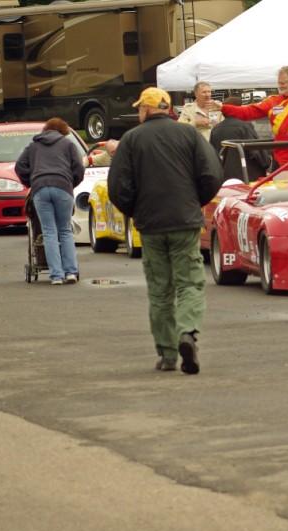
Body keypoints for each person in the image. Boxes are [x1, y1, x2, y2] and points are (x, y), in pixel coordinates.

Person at [108, 87, 222, 374]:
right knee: (190, 283)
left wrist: (135, 211)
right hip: (184, 221)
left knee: (160, 291)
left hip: (151, 226)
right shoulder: (189, 134)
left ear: (146, 110)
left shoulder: (131, 140)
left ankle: (168, 354)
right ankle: (188, 331)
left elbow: (118, 187)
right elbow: (211, 174)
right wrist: (195, 202)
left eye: (139, 109)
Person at [209, 66, 288, 168]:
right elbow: (247, 112)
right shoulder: (272, 101)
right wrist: (223, 107)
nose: (281, 85)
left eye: (284, 83)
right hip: (284, 153)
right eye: (279, 82)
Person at [15, 117, 84, 285]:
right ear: (63, 131)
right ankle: (70, 272)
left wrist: (31, 181)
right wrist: (70, 183)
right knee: (65, 230)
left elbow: (19, 166)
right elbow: (79, 168)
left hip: (40, 189)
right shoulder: (68, 145)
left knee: (49, 232)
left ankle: (56, 276)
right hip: (62, 187)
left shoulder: (34, 146)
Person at [209, 96, 271, 181]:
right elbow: (257, 152)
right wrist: (267, 162)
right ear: (239, 109)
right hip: (248, 177)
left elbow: (213, 155)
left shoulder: (215, 129)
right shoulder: (244, 127)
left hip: (225, 179)